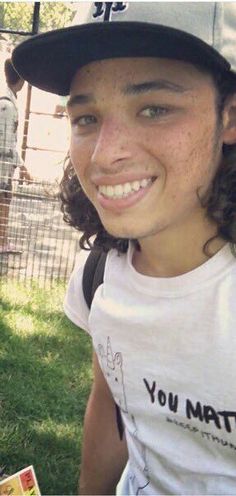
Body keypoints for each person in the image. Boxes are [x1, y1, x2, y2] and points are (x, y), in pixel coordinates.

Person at [12, 2, 236, 494]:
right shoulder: (100, 276)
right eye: (87, 117)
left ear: (229, 115)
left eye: (154, 109)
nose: (105, 154)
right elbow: (112, 405)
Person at [0, 58, 30, 254]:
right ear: (21, 79)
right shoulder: (7, 106)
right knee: (4, 201)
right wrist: (22, 166)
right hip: (3, 164)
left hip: (5, 162)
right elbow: (6, 142)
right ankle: (2, 242)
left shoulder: (7, 101)